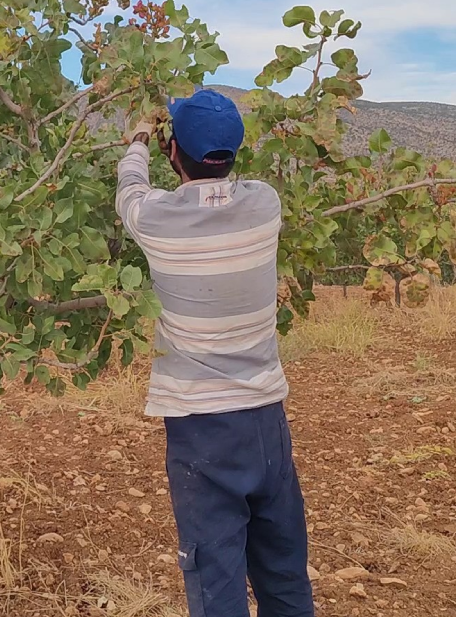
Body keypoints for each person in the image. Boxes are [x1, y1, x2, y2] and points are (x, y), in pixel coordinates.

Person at [115, 88, 314, 617]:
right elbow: (219, 183)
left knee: (216, 586)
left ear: (172, 152)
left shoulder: (155, 220)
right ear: (234, 153)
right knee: (285, 574)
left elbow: (129, 187)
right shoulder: (265, 204)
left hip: (201, 431)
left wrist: (139, 137)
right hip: (266, 421)